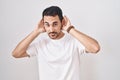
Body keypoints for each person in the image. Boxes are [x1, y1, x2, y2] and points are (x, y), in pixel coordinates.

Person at [12, 6, 100, 80]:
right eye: (47, 24)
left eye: (55, 24)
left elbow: (95, 48)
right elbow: (16, 53)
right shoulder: (40, 44)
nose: (51, 29)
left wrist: (70, 29)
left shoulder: (74, 42)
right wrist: (36, 31)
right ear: (43, 24)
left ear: (62, 23)